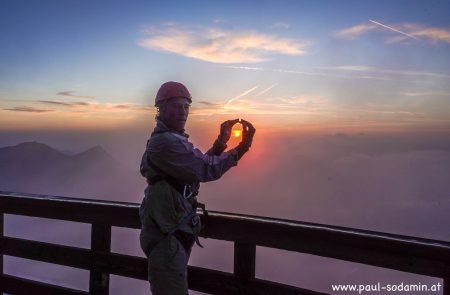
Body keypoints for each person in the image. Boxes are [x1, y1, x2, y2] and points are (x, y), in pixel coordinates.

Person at [138, 81, 256, 295]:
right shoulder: (166, 143)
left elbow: (195, 166)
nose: (183, 112)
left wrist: (221, 143)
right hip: (168, 236)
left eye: (186, 107)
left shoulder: (169, 140)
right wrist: (242, 148)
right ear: (161, 109)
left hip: (172, 230)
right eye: (176, 106)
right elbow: (205, 168)